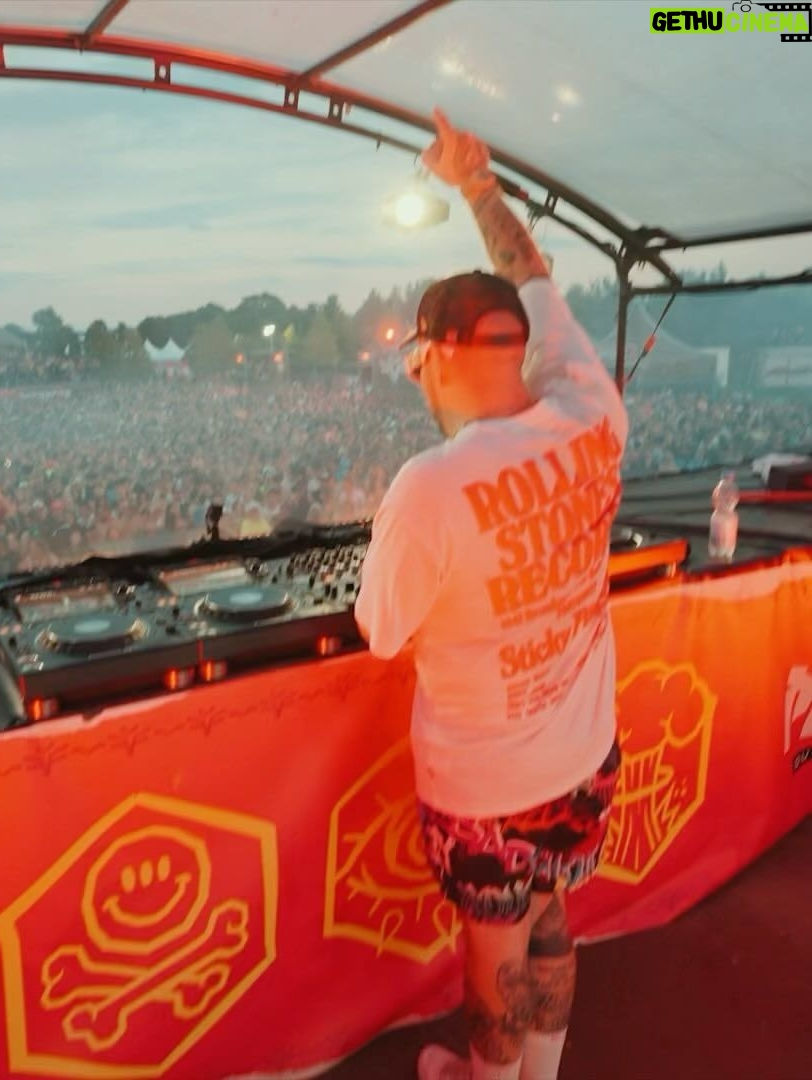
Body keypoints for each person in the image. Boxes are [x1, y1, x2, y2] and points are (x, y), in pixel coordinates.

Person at [354, 108, 628, 1080]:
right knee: (553, 915)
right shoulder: (592, 405)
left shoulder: (429, 486)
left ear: (438, 349)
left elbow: (382, 631)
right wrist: (476, 184)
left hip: (486, 789)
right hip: (585, 758)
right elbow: (531, 271)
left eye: (416, 360)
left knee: (496, 949)